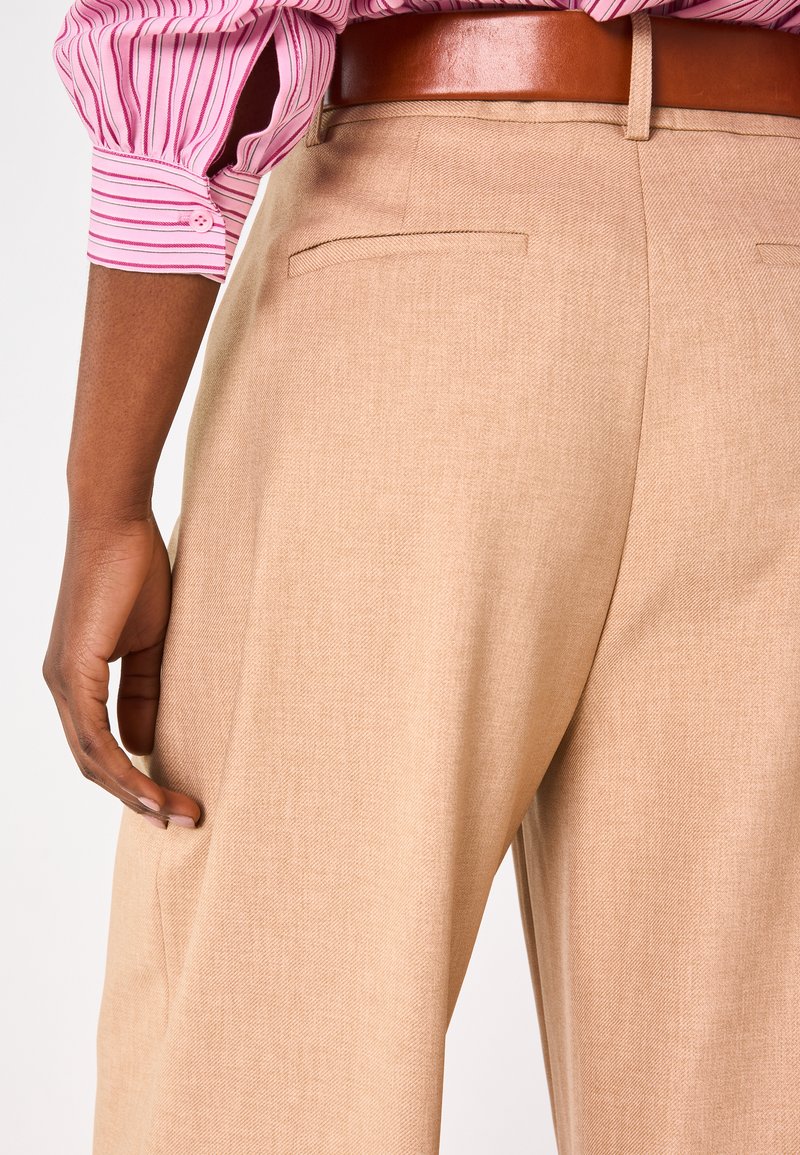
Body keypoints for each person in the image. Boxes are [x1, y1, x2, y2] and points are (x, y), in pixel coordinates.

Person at [44, 2, 800, 1153]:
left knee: (266, 1065)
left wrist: (105, 499)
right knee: (755, 1089)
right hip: (768, 274)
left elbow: (191, 33)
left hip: (421, 249)